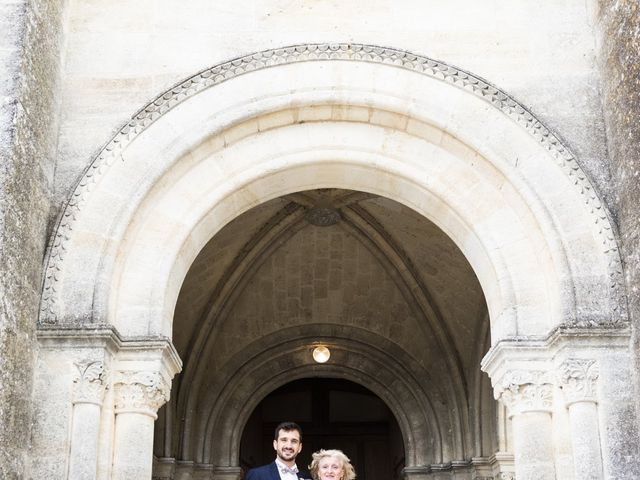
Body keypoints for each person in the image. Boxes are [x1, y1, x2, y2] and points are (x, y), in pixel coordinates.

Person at [246, 422, 312, 480]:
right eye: (284, 440)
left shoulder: (307, 477)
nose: (288, 446)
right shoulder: (257, 475)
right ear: (275, 444)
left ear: (300, 447)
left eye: (294, 441)